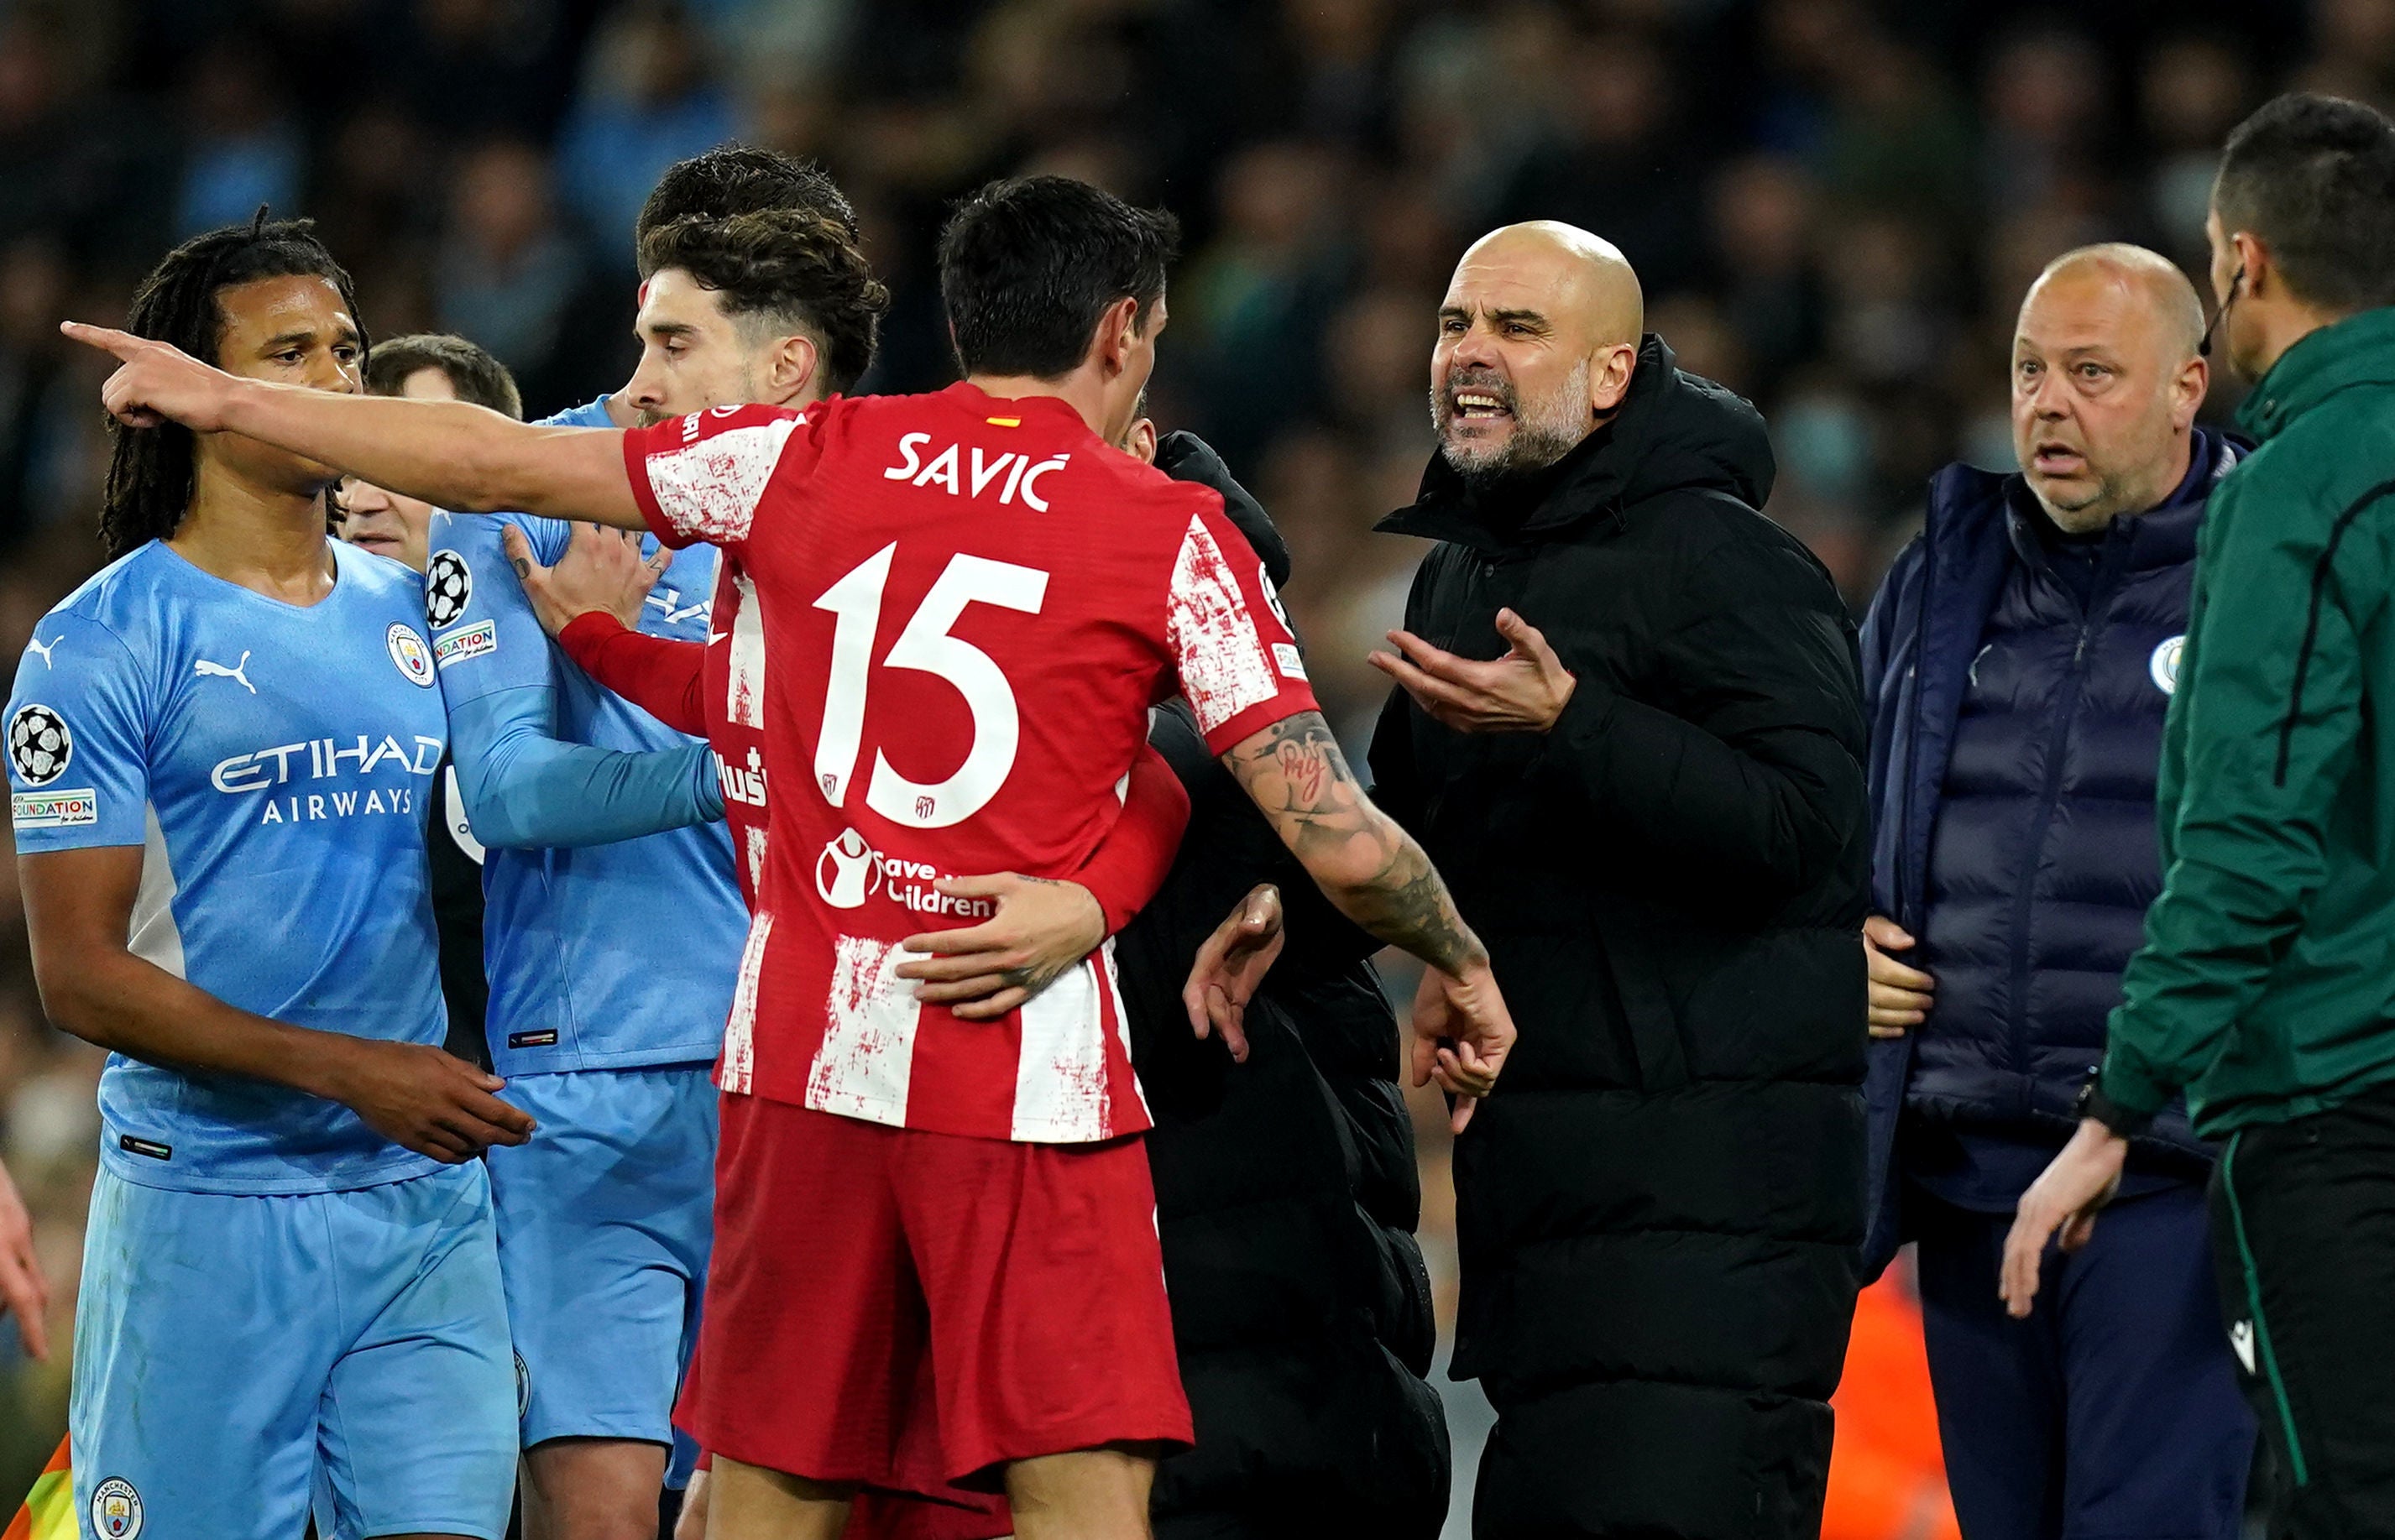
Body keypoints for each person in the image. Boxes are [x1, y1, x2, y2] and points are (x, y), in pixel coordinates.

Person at [67, 170, 1516, 1540]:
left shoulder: (806, 462)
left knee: (760, 1500)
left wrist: (229, 402)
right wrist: (1450, 956)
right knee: (1076, 1502)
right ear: (1122, 332)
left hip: (796, 1074)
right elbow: (1331, 830)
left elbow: (494, 457)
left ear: (960, 320)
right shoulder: (1171, 530)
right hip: (1019, 1084)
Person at [531, 419, 1451, 1539]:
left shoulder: (1117, 755)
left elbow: (1288, 832)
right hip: (1263, 1319)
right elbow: (746, 708)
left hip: (1230, 1320)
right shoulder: (1178, 737)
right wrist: (596, 638)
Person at [17, 217, 526, 1540]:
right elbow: (79, 976)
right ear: (197, 395)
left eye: (345, 350)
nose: (333, 379)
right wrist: (350, 1067)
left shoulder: (420, 608)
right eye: (286, 352)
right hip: (206, 1202)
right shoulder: (102, 642)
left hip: (415, 1204)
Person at [1365, 221, 1869, 1537]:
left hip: (1711, 1235)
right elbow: (1421, 830)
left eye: (1515, 330)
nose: (1469, 354)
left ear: (1610, 373)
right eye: (1453, 325)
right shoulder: (1462, 570)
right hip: (1546, 1224)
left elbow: (1802, 824)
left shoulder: (1732, 561)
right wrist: (1430, 941)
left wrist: (1574, 720)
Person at [2000, 93, 2395, 1540]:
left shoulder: (2296, 487)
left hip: (2336, 1098)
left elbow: (2251, 835)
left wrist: (2117, 1104)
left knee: (2340, 1500)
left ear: (2236, 266)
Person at [1857, 244, 2255, 1540]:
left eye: (2092, 373)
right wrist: (1834, 936)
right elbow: (1837, 806)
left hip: (2173, 1175)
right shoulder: (1948, 570)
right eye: (2031, 370)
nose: (2047, 404)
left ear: (2188, 384)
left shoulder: (2264, 578)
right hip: (1969, 1163)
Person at [337, 332, 526, 1073]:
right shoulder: (267, 684)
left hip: (544, 1121)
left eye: (400, 462)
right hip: (351, 1133)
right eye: (349, 467)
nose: (362, 498)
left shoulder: (579, 672)